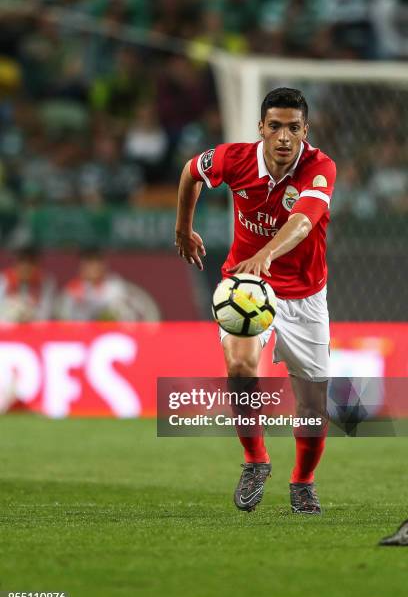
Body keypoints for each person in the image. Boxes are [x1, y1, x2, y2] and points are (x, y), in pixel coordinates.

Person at [175, 88, 336, 513]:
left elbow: (302, 222)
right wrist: (182, 228)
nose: (285, 137)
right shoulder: (234, 158)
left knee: (313, 403)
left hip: (304, 294)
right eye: (276, 126)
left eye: (294, 128)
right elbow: (191, 172)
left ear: (306, 130)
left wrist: (266, 253)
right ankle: (255, 460)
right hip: (246, 286)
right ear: (261, 127)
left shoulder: (320, 168)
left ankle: (302, 482)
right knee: (241, 365)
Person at [59, 247, 160, 322]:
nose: (92, 268)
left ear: (103, 265)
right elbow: (64, 319)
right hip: (82, 337)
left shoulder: (115, 287)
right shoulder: (73, 289)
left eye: (95, 263)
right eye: (88, 264)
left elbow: (121, 316)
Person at [0, 245, 57, 322]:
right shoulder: (4, 280)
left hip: (35, 328)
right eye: (22, 262)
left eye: (30, 263)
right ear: (16, 264)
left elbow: (46, 314)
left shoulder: (46, 283)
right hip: (8, 328)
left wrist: (30, 314)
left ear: (37, 265)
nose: (26, 267)